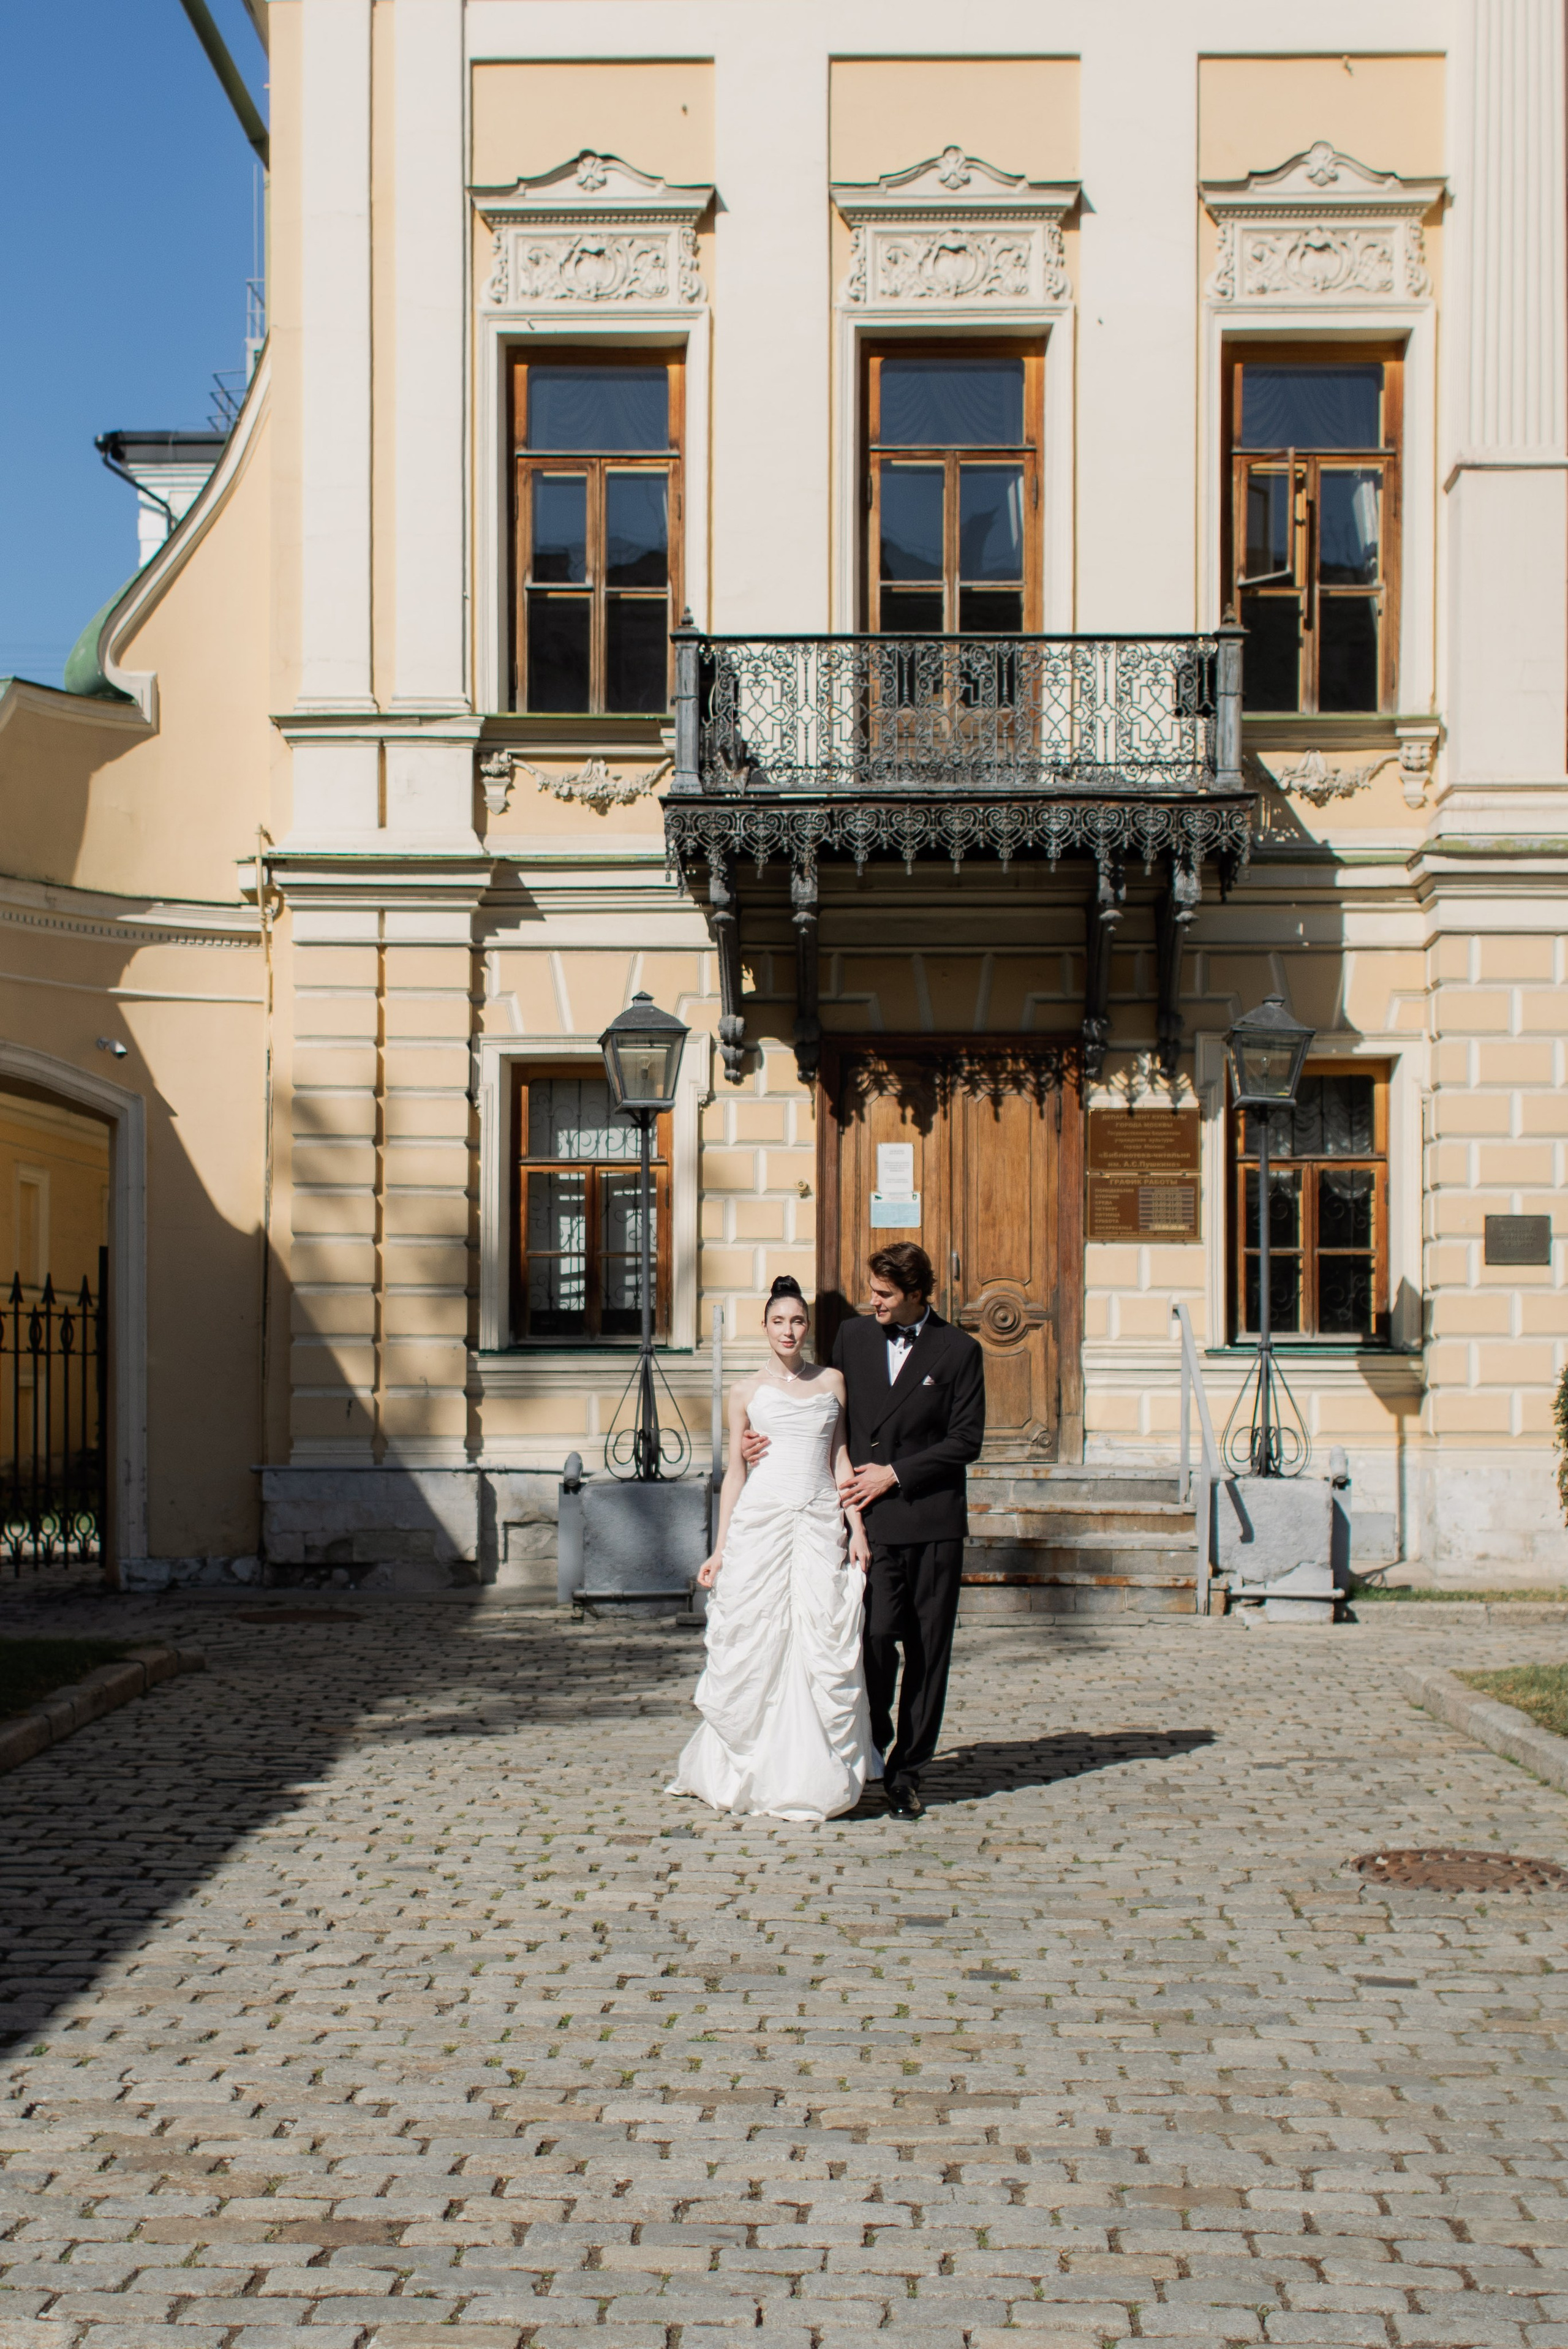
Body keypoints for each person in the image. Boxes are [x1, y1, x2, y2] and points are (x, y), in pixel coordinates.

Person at [742, 1243, 985, 1819]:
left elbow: (965, 1441)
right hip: (866, 1523)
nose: (872, 1301)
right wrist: (759, 1437)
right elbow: (823, 1412)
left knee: (929, 1651)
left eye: (885, 1293)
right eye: (872, 1290)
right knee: (871, 1637)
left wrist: (895, 1473)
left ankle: (907, 1770)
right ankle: (873, 1739)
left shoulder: (959, 1350)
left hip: (931, 1520)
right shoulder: (852, 1338)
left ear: (917, 1294)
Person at [667, 1273, 883, 1824]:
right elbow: (735, 1473)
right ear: (763, 1327)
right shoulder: (744, 1391)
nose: (789, 1330)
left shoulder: (832, 1381)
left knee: (818, 1637)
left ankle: (821, 1766)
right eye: (779, 1321)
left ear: (808, 1327)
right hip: (762, 1522)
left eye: (798, 1320)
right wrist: (719, 1549)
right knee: (759, 1636)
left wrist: (855, 1527)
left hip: (816, 1522)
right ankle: (747, 1766)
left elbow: (840, 1458)